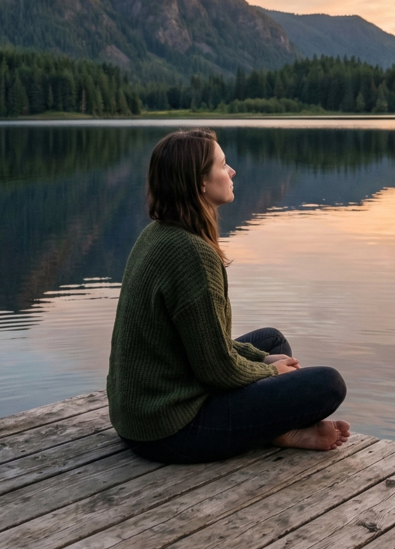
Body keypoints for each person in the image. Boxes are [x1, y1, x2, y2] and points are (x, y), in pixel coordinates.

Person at [107, 128, 351, 464]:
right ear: (200, 184)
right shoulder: (191, 253)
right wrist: (271, 373)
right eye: (223, 165)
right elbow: (216, 370)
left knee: (271, 342)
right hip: (168, 431)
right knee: (327, 384)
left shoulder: (158, 233)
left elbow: (206, 341)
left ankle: (279, 430)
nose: (232, 171)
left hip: (139, 415)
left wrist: (263, 359)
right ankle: (279, 429)